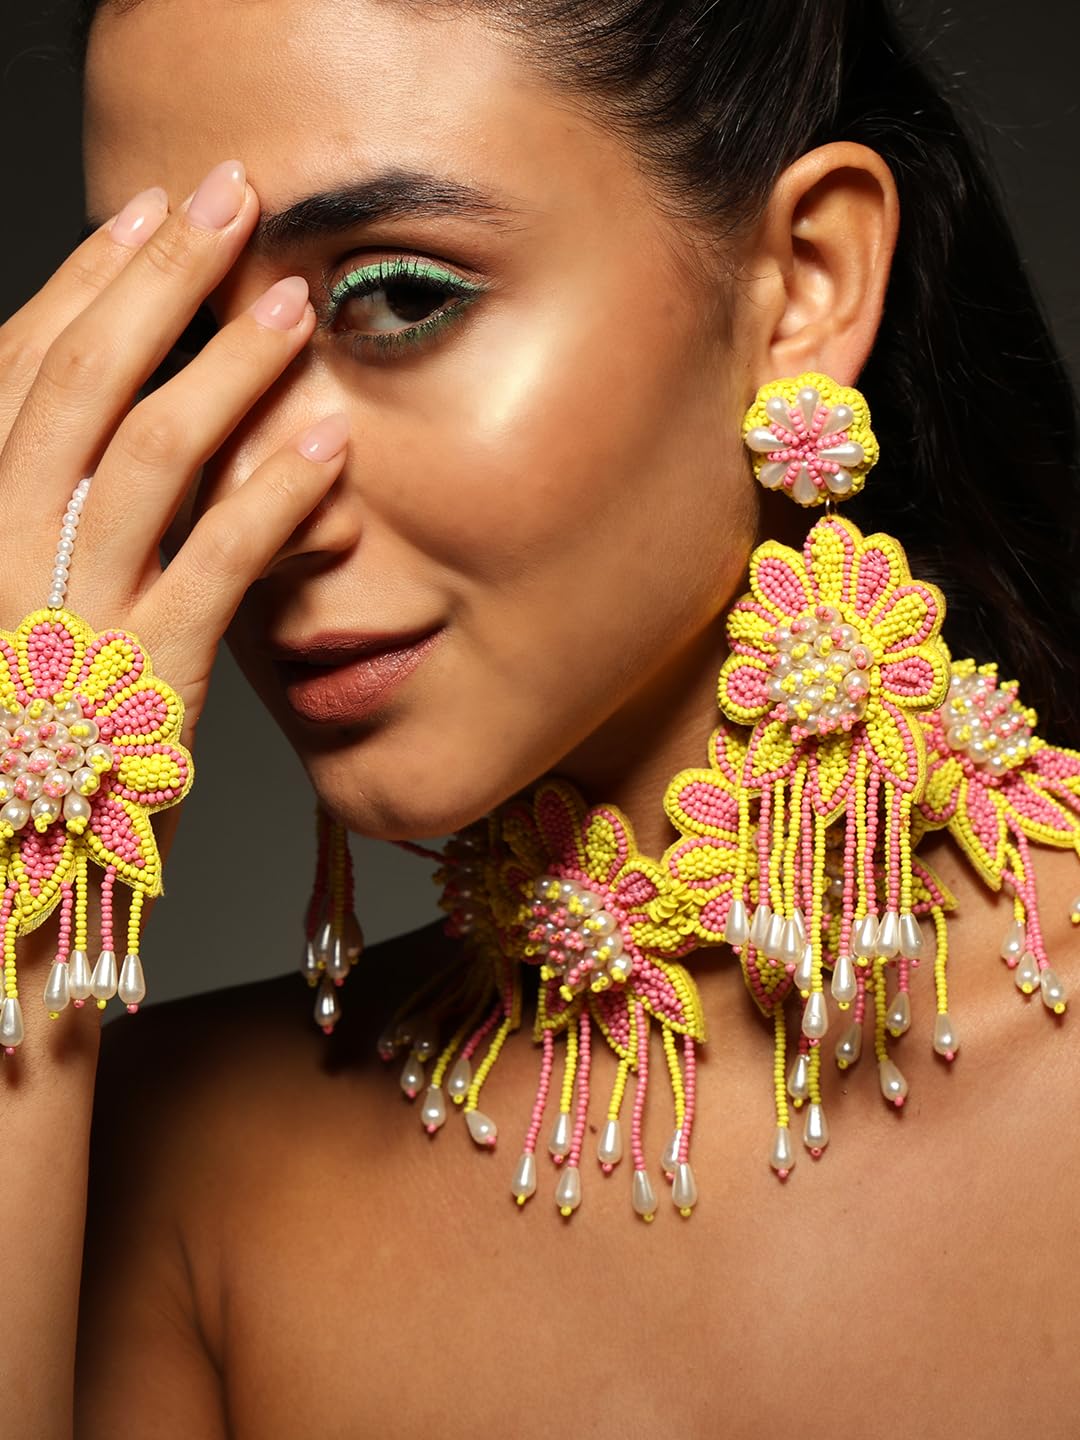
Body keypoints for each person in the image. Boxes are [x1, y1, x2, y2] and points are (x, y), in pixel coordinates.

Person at [2, 0, 1078, 1433]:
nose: (254, 500)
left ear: (805, 286)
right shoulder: (162, 1174)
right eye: (181, 356)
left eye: (399, 297)